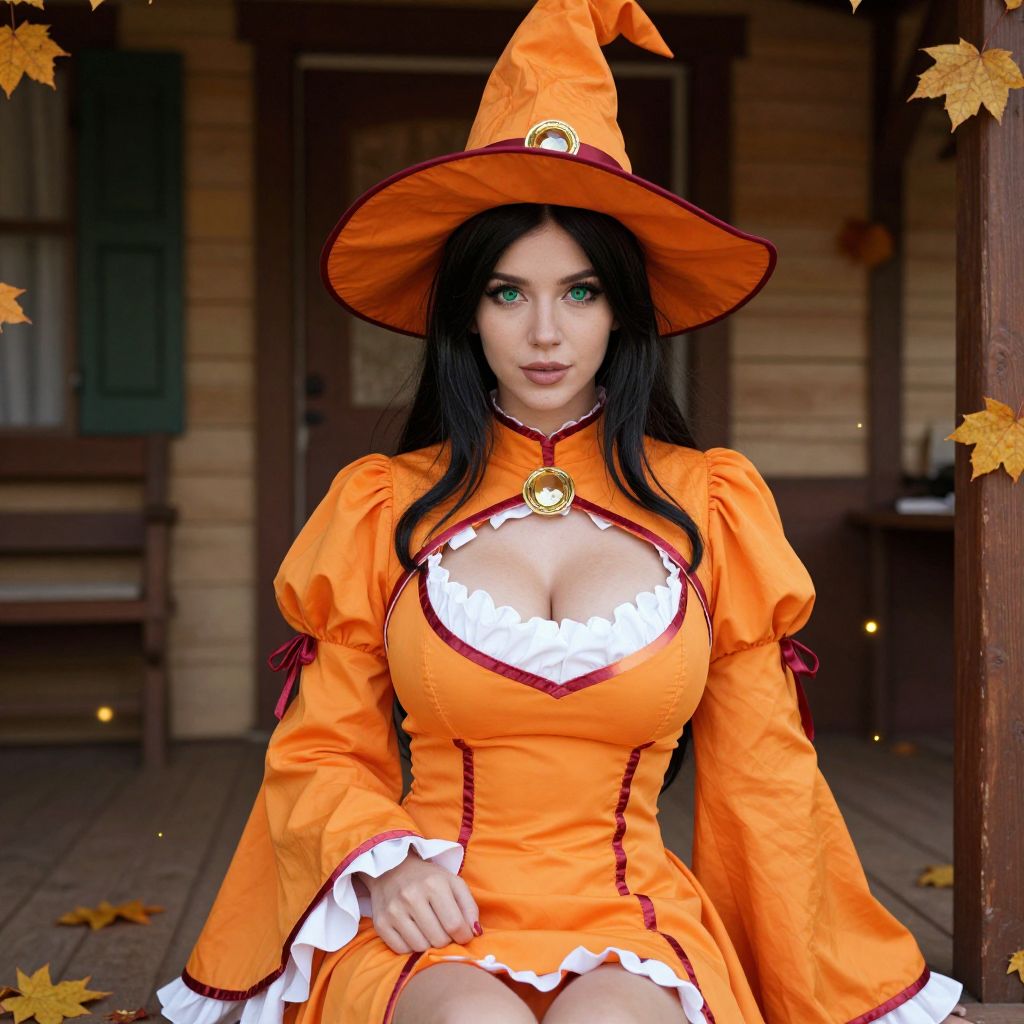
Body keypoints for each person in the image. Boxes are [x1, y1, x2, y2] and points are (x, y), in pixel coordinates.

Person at [157, 1, 970, 1022]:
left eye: (578, 292)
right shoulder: (381, 507)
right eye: (507, 293)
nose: (544, 332)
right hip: (424, 920)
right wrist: (379, 864)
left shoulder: (708, 504)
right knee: (467, 1019)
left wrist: (843, 985)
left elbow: (762, 779)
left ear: (624, 307)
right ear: (465, 310)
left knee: (612, 1019)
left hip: (632, 916)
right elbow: (321, 748)